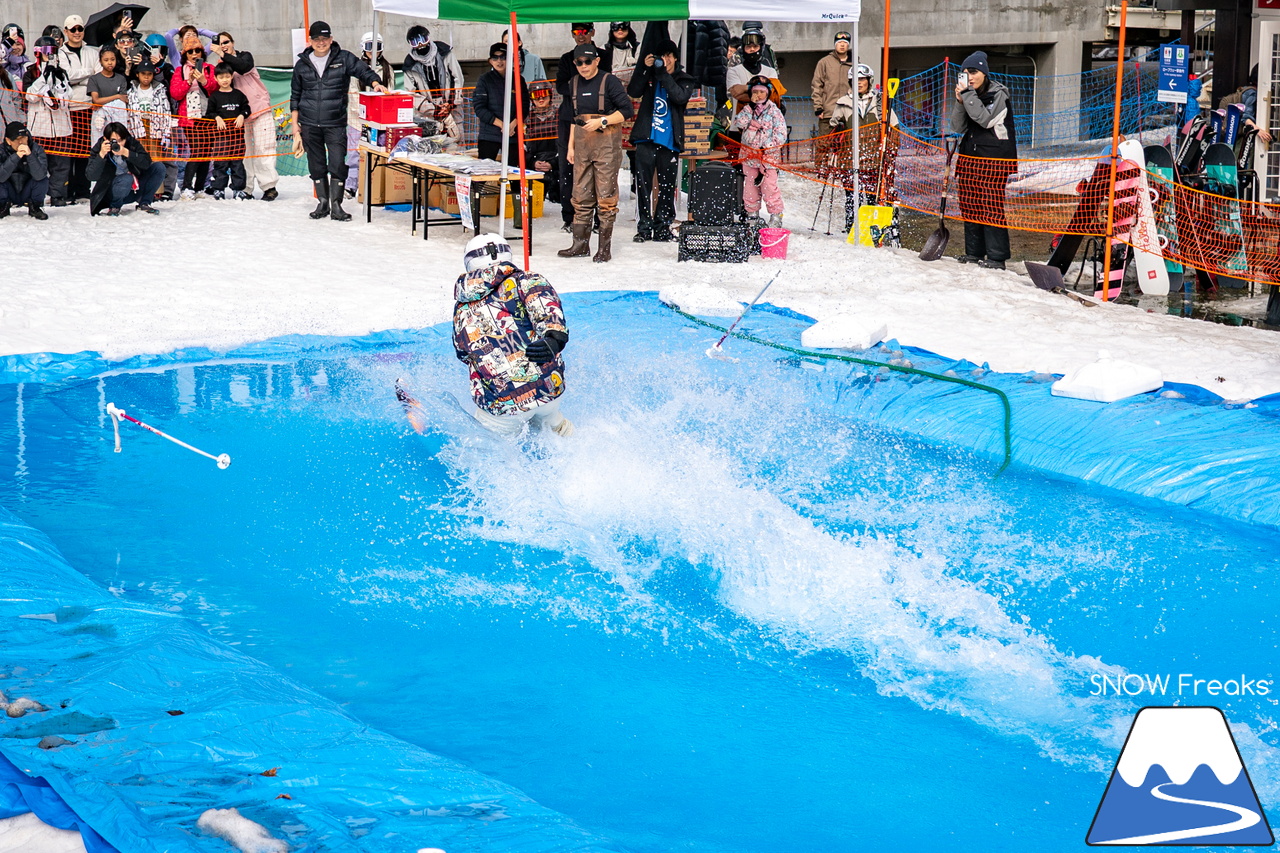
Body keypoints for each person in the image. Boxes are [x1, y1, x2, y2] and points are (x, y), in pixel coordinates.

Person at [453, 234, 574, 438]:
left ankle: (488, 460)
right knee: (551, 421)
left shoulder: (462, 308)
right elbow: (546, 307)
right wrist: (554, 338)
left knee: (489, 443)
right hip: (547, 387)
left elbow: (463, 351)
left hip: (503, 402)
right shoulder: (526, 280)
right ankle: (573, 444)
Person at [291, 21, 388, 222]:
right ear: (310, 41)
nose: (321, 43)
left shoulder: (343, 58)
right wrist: (295, 127)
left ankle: (337, 205)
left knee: (337, 163)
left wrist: (376, 83)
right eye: (317, 39)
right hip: (309, 124)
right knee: (316, 165)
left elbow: (363, 71)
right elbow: (295, 97)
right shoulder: (302, 64)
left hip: (335, 123)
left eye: (325, 39)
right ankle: (323, 203)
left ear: (331, 39)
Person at [558, 43, 633, 263]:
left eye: (587, 61)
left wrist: (603, 120)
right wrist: (571, 147)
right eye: (579, 62)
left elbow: (626, 110)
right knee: (579, 196)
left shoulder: (609, 81)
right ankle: (579, 245)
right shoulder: (572, 84)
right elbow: (575, 118)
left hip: (606, 147)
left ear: (597, 61)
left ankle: (604, 248)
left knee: (606, 197)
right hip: (582, 146)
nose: (583, 66)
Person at [948, 50, 1017, 270]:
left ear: (984, 73)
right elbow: (956, 127)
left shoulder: (999, 94)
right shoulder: (969, 95)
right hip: (970, 158)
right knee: (969, 204)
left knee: (990, 206)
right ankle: (974, 253)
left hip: (994, 159)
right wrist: (960, 102)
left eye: (974, 71)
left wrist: (967, 95)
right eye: (965, 72)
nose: (969, 76)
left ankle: (997, 257)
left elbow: (985, 120)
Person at [628, 39, 695, 243]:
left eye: (668, 56)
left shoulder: (684, 78)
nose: (664, 60)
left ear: (675, 57)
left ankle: (662, 227)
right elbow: (633, 91)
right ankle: (644, 228)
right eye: (661, 56)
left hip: (669, 140)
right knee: (643, 186)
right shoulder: (649, 75)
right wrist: (644, 68)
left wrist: (663, 73)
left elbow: (679, 97)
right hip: (646, 139)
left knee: (667, 187)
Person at [830, 64, 901, 240]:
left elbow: (894, 128)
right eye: (855, 80)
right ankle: (851, 228)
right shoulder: (843, 103)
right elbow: (832, 130)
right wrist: (834, 140)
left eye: (862, 79)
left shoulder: (880, 103)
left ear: (869, 81)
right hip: (849, 159)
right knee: (851, 197)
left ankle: (872, 229)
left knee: (871, 195)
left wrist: (890, 150)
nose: (859, 83)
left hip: (874, 159)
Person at [555, 24, 611, 232]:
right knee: (567, 168)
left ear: (593, 32)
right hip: (570, 117)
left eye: (584, 32)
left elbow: (607, 82)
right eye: (576, 32)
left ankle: (598, 219)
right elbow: (560, 86)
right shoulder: (565, 58)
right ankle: (569, 217)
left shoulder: (604, 56)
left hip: (596, 119)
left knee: (597, 169)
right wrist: (580, 84)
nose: (581, 36)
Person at [211, 31, 278, 200]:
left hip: (260, 107)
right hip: (238, 114)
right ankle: (245, 188)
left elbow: (243, 67)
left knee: (265, 147)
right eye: (220, 43)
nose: (224, 45)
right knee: (244, 152)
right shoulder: (222, 65)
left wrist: (223, 55)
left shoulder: (245, 56)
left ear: (233, 42)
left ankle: (269, 186)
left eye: (226, 42)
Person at [729, 75, 787, 228]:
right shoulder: (748, 109)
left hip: (767, 158)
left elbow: (781, 135)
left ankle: (775, 214)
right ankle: (752, 214)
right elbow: (739, 122)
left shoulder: (774, 111)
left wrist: (766, 146)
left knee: (769, 186)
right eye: (755, 92)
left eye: (762, 92)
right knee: (750, 188)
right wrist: (749, 110)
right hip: (749, 157)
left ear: (767, 93)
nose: (759, 95)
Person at [56, 15, 101, 201]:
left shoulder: (92, 51)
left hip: (87, 105)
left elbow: (98, 75)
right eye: (72, 29)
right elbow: (66, 76)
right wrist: (87, 74)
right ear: (66, 31)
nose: (77, 33)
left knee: (84, 149)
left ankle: (82, 190)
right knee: (67, 151)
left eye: (80, 29)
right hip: (68, 106)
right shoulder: (60, 53)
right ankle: (67, 190)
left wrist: (80, 77)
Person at [23, 43, 72, 206]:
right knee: (37, 162)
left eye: (53, 51)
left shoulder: (62, 72)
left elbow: (68, 96)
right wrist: (43, 78)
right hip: (39, 126)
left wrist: (58, 80)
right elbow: (29, 96)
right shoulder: (30, 71)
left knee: (61, 163)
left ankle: (58, 194)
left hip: (60, 125)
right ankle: (36, 194)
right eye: (46, 51)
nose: (50, 55)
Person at [170, 35, 217, 199]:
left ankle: (200, 188)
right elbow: (175, 94)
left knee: (206, 152)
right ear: (185, 54)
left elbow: (216, 91)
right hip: (189, 118)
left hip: (208, 116)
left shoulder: (210, 69)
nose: (194, 54)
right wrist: (188, 81)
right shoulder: (179, 71)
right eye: (191, 51)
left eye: (198, 50)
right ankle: (187, 186)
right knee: (196, 150)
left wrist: (204, 81)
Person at [86, 121, 164, 215]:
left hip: (135, 188)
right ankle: (115, 206)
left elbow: (146, 163)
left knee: (159, 167)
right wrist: (101, 155)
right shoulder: (99, 148)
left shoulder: (131, 143)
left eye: (121, 140)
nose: (119, 144)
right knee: (126, 178)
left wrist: (127, 153)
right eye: (115, 141)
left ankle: (144, 203)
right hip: (112, 191)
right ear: (106, 139)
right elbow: (91, 176)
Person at [472, 42, 529, 165]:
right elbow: (479, 108)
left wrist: (513, 124)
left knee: (514, 175)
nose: (499, 61)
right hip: (489, 136)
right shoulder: (484, 79)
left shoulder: (519, 80)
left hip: (513, 135)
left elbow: (524, 106)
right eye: (495, 57)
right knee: (484, 173)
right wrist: (502, 125)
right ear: (490, 61)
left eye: (503, 57)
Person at [204, 62, 250, 200]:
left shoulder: (239, 95)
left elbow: (246, 108)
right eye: (221, 77)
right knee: (220, 163)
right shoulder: (214, 97)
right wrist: (217, 117)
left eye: (227, 76)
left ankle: (238, 189)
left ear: (231, 77)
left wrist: (242, 115)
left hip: (237, 137)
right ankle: (218, 188)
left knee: (237, 163)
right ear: (216, 79)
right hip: (220, 137)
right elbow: (209, 113)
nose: (224, 80)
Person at [403, 25, 464, 123]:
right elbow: (411, 93)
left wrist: (451, 103)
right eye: (415, 42)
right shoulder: (410, 64)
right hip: (428, 113)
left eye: (423, 39)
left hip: (452, 107)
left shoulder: (444, 52)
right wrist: (434, 110)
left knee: (457, 136)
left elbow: (457, 77)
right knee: (431, 137)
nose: (420, 44)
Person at [125, 57, 172, 184]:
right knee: (139, 159)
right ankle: (140, 187)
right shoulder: (131, 91)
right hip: (137, 129)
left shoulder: (159, 90)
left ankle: (156, 189)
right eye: (143, 74)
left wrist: (166, 132)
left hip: (154, 129)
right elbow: (128, 113)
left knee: (155, 159)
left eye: (149, 74)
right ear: (137, 75)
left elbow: (166, 112)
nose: (146, 77)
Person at [0, 121, 49, 220]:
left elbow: (40, 175)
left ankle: (35, 207)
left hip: (28, 190)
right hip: (9, 190)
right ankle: (2, 206)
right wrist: (16, 157)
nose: (21, 142)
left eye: (23, 138)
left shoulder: (37, 149)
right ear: (8, 141)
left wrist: (30, 156)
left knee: (43, 179)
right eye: (17, 139)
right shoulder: (1, 151)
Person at [726, 25, 779, 111]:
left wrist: (746, 89)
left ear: (761, 48)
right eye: (748, 47)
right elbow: (736, 92)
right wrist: (761, 90)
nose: (752, 49)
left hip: (766, 122)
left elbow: (773, 95)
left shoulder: (771, 71)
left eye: (755, 46)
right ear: (743, 49)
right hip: (740, 120)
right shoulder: (733, 71)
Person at [524, 79, 560, 205]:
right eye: (536, 96)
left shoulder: (559, 116)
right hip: (534, 164)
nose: (540, 99)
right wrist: (532, 162)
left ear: (550, 95)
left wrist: (553, 163)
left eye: (544, 95)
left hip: (557, 163)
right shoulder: (527, 119)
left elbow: (569, 144)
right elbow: (521, 147)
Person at [86, 46, 130, 141]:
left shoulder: (121, 79)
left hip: (117, 117)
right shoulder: (94, 79)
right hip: (100, 118)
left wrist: (104, 103)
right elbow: (96, 100)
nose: (110, 62)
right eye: (106, 60)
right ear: (100, 61)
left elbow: (124, 100)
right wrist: (117, 96)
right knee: (99, 143)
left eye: (112, 59)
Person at [811, 31, 853, 123]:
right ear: (835, 44)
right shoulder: (824, 62)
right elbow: (816, 85)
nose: (842, 45)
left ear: (848, 45)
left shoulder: (855, 63)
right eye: (839, 42)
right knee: (826, 137)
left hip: (849, 112)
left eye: (845, 42)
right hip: (828, 113)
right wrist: (818, 107)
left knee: (849, 137)